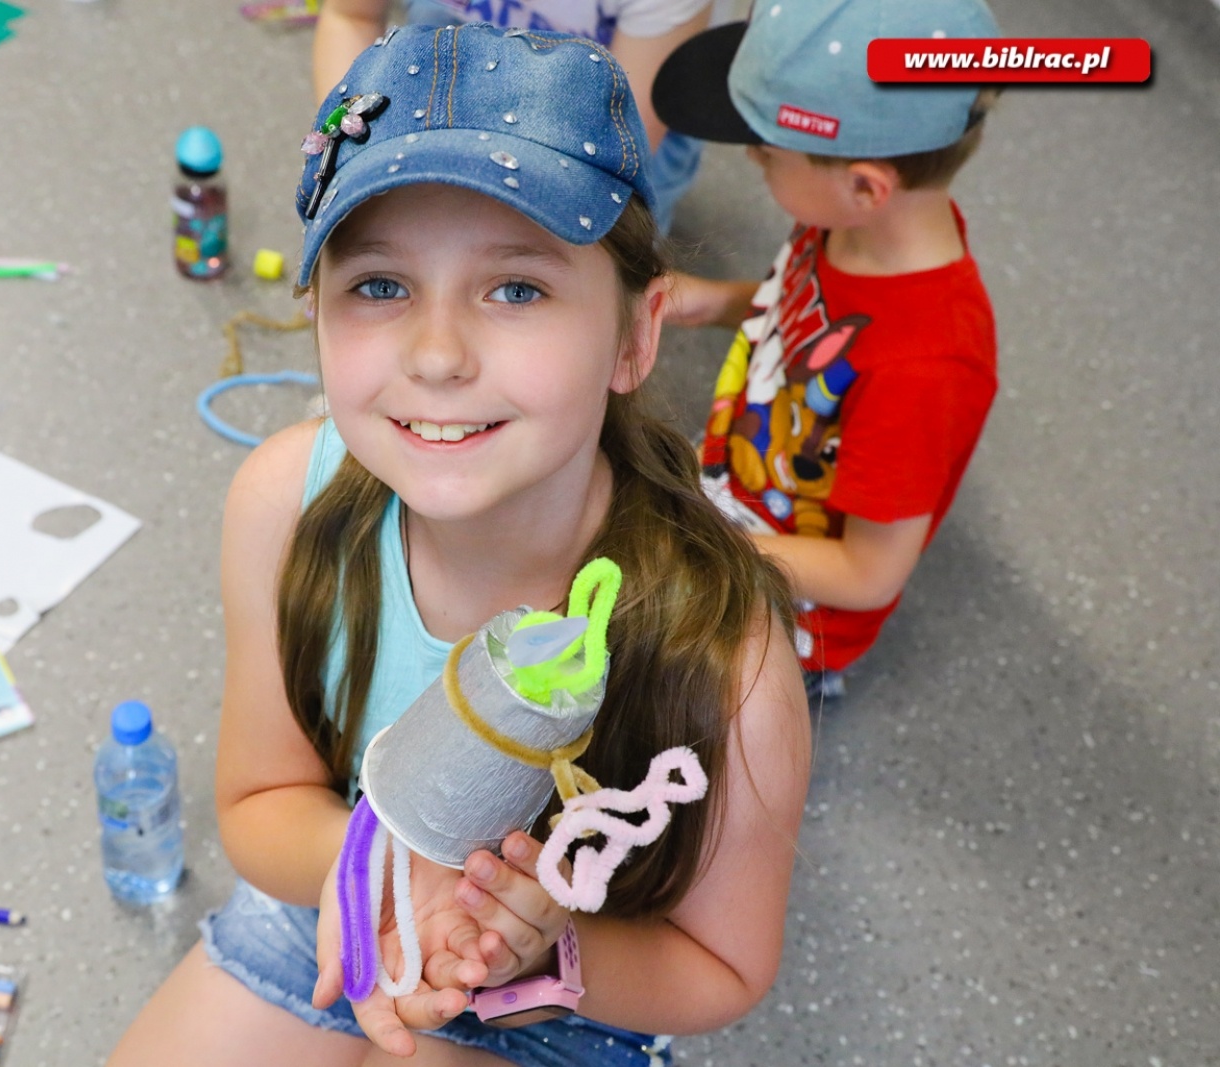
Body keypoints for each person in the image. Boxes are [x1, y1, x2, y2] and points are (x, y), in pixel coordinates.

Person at [108, 24, 810, 1067]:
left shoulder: (725, 656)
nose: (436, 354)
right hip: (330, 900)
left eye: (516, 288)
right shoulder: (281, 505)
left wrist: (533, 948)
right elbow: (259, 803)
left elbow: (719, 965)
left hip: (564, 999)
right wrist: (387, 874)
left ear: (635, 334)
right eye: (380, 286)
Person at [650, 0, 1003, 706]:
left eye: (767, 150)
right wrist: (716, 301)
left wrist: (691, 535)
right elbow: (812, 317)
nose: (750, 155)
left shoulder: (929, 364)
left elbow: (867, 572)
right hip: (735, 479)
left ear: (868, 185)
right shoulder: (849, 222)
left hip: (788, 599)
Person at [312, 0, 731, 232]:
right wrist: (352, 159)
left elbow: (626, 127)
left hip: (617, 91)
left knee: (607, 244)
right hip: (456, 25)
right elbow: (350, 15)